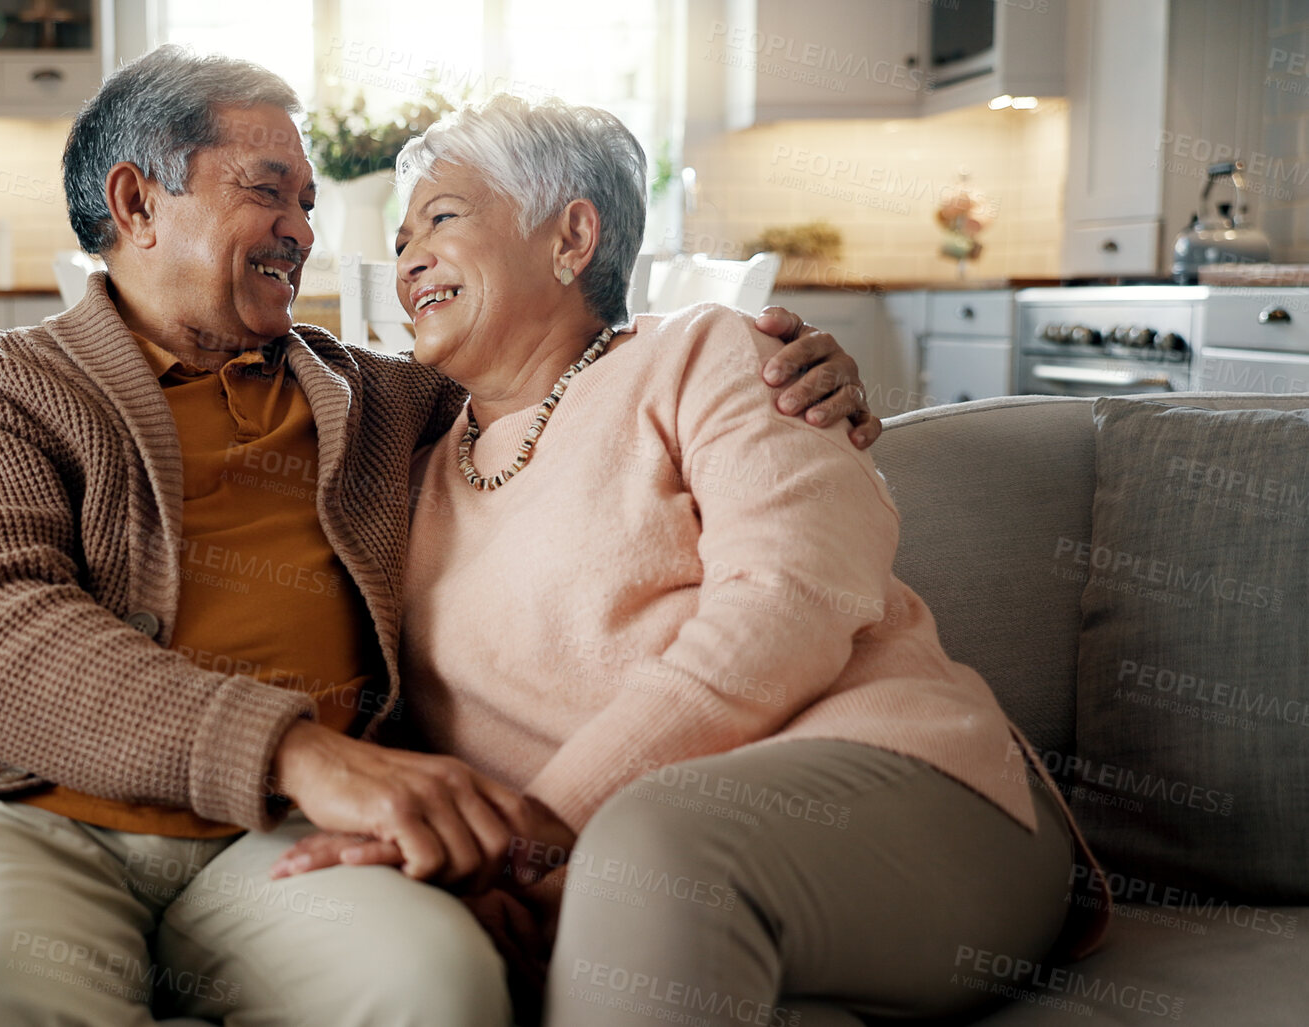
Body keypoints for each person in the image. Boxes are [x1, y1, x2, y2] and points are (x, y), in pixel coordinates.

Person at [0, 47, 883, 1025]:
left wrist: (790, 374)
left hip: (281, 842)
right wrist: (302, 753)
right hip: (23, 810)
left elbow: (574, 375)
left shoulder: (388, 400)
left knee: (435, 988)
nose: (303, 231)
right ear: (136, 203)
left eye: (309, 206)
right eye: (268, 192)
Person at [273, 95, 1110, 1026]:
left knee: (651, 853)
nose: (408, 258)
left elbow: (792, 594)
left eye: (441, 218)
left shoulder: (711, 354)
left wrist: (542, 834)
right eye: (397, 240)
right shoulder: (404, 465)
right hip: (597, 871)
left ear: (571, 236)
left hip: (897, 783)